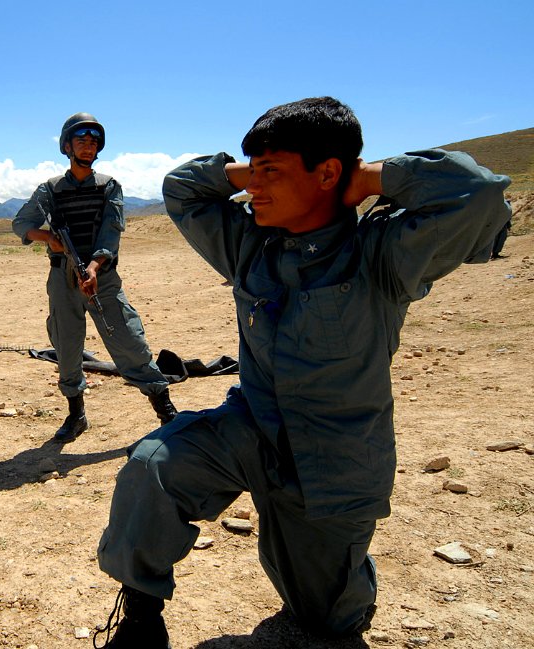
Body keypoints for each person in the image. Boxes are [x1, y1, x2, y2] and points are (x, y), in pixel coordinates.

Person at [93, 97, 512, 647]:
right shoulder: (248, 244)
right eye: (250, 174)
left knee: (327, 618)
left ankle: (338, 582)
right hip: (251, 428)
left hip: (333, 460)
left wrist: (366, 177)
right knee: (152, 466)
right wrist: (256, 166)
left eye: (271, 173)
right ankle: (142, 621)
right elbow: (182, 188)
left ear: (329, 174)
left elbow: (478, 195)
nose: (251, 188)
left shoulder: (382, 254)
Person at [12, 113, 177, 443]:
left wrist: (94, 267)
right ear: (67, 146)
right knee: (66, 343)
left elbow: (110, 232)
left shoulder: (108, 187)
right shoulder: (49, 190)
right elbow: (21, 224)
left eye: (93, 141)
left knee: (128, 338)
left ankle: (166, 411)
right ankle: (76, 414)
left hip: (102, 277)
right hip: (63, 278)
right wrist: (50, 239)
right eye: (81, 141)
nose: (88, 146)